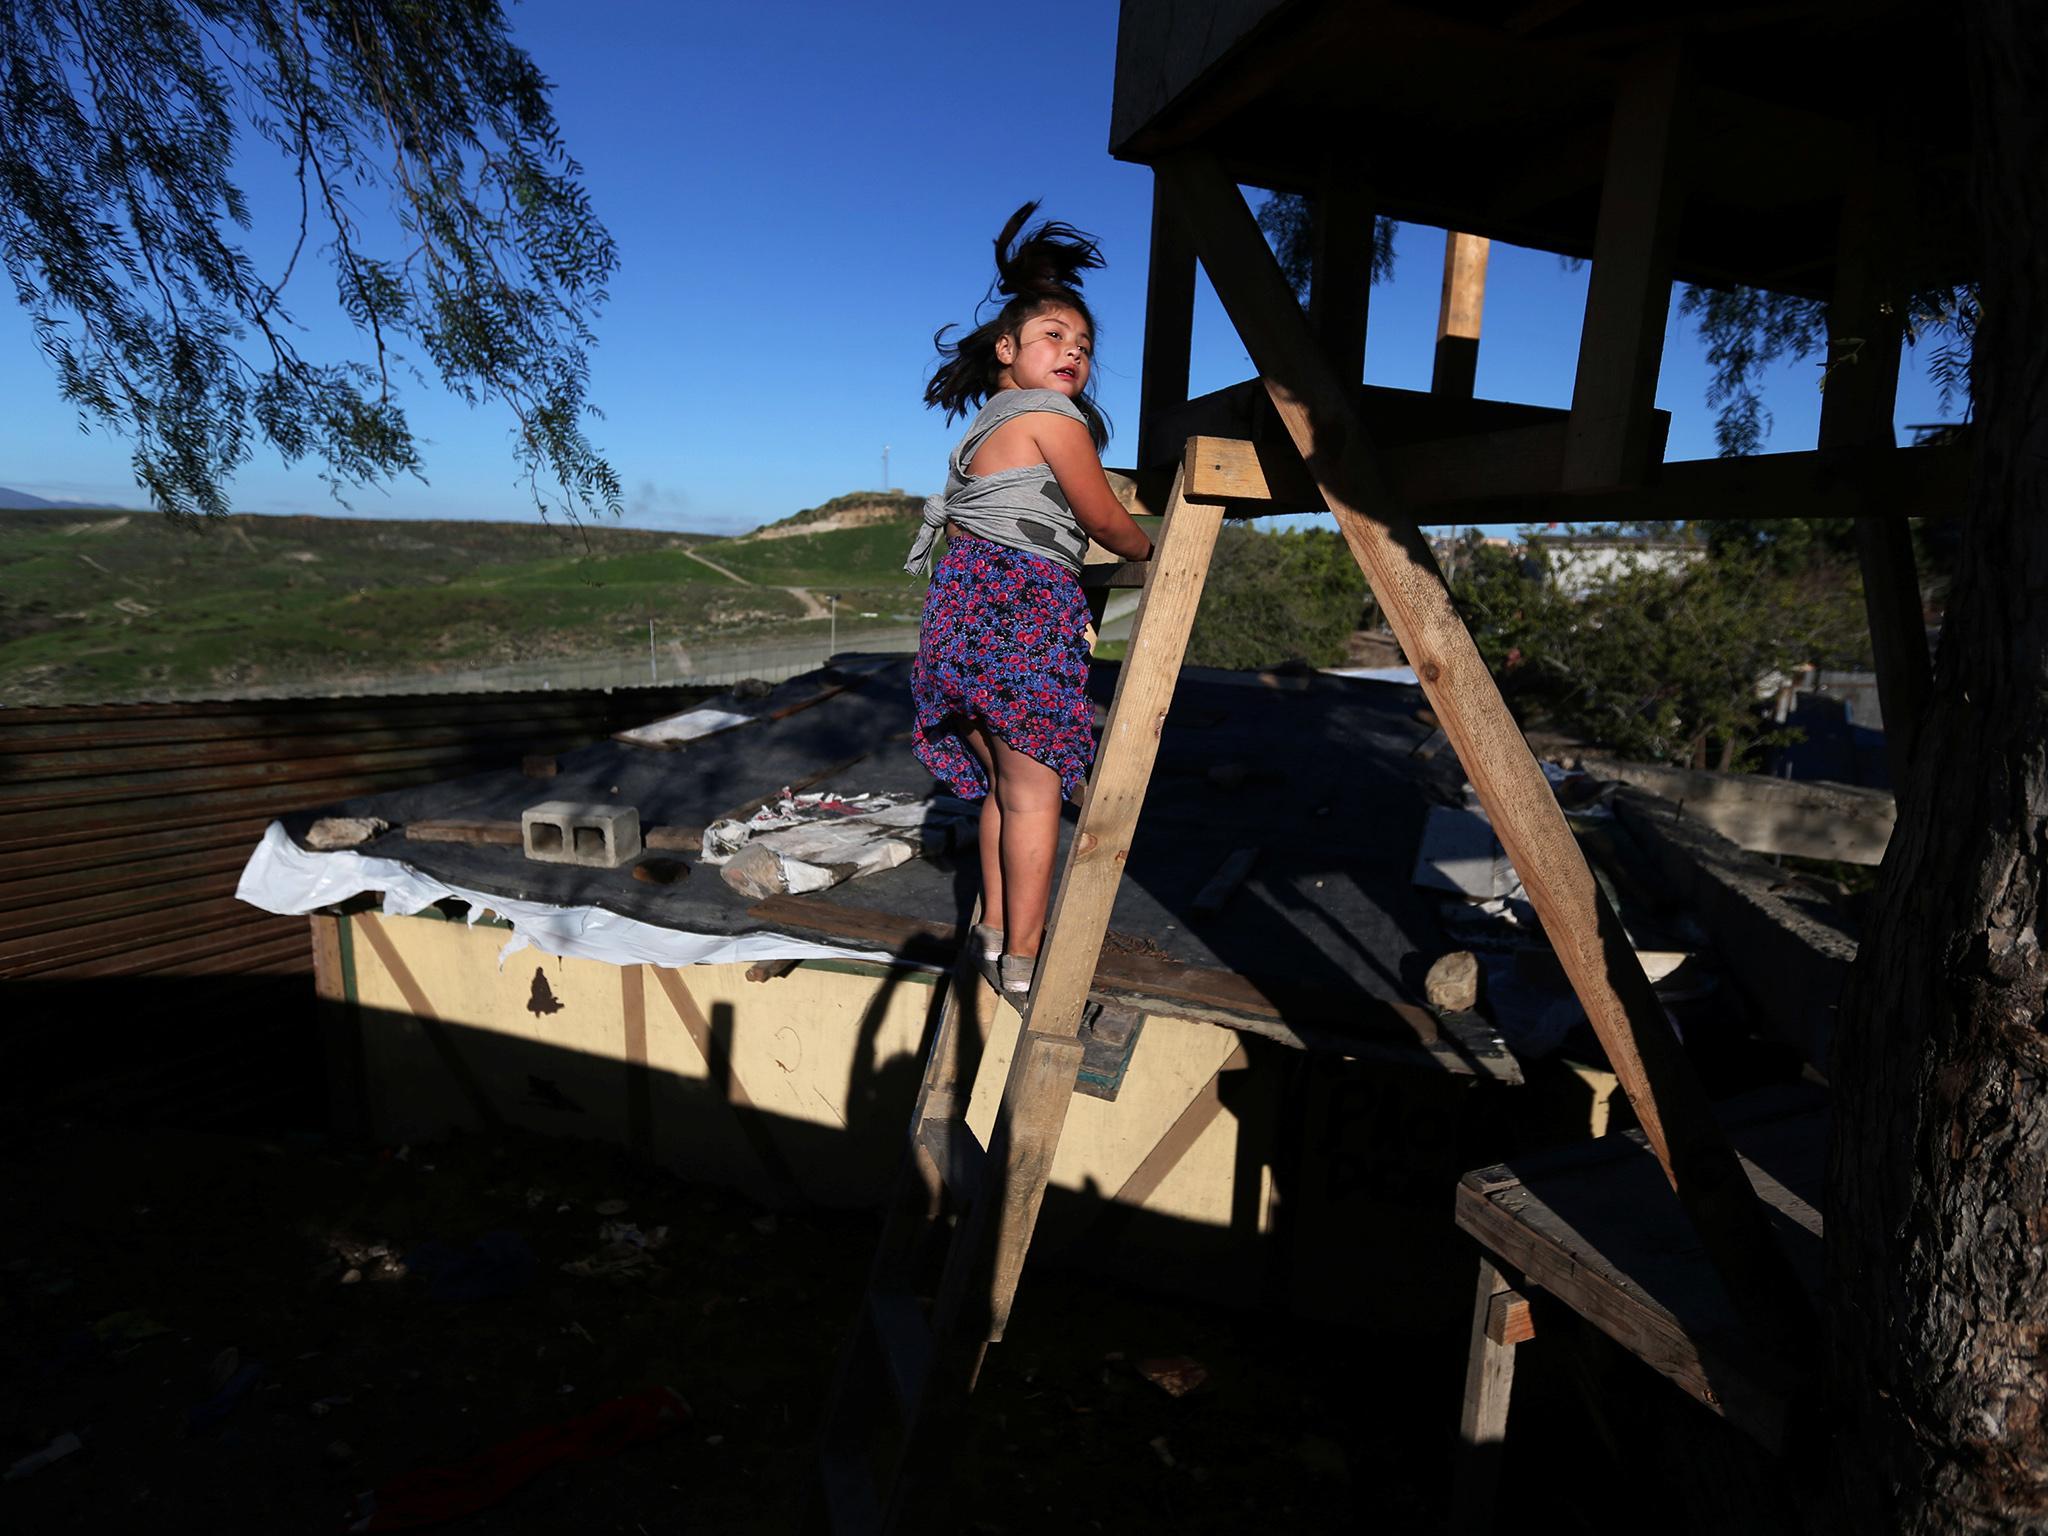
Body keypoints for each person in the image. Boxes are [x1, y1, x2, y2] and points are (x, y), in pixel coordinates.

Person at [905, 204, 1155, 996]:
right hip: (1017, 611)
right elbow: (1104, 520)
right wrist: (1155, 550)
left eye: (1083, 347)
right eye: (1054, 336)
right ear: (1007, 349)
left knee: (1002, 790)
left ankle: (990, 930)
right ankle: (1025, 961)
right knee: (1038, 790)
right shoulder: (1053, 417)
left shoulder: (982, 428)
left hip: (960, 612)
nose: (1073, 354)